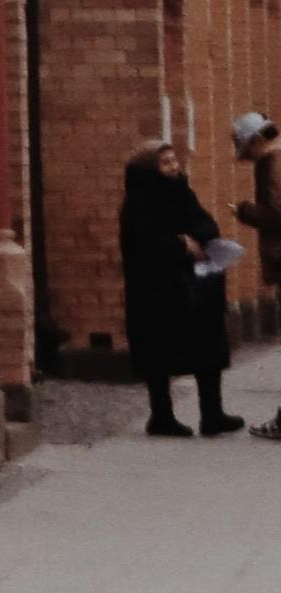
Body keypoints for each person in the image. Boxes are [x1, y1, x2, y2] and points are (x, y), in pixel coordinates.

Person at [122, 134, 232, 434]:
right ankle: (161, 417)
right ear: (150, 169)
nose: (173, 167)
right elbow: (145, 243)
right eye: (165, 162)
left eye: (173, 161)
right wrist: (181, 244)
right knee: (158, 354)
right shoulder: (138, 202)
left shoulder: (182, 192)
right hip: (157, 293)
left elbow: (205, 222)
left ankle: (213, 414)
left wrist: (198, 237)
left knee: (207, 349)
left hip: (194, 287)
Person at [243, 114, 281, 437]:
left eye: (246, 151)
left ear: (256, 140)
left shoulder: (273, 162)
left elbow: (278, 213)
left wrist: (245, 212)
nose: (248, 158)